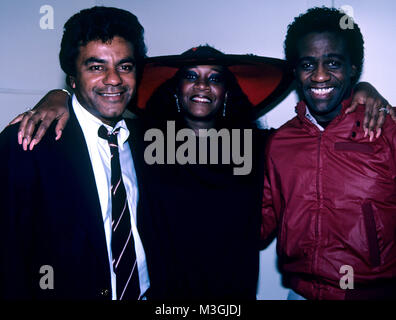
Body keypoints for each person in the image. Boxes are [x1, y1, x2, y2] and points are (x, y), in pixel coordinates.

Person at [0, 6, 156, 300]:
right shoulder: (27, 142)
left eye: (125, 66)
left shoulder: (147, 142)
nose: (114, 80)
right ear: (72, 77)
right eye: (96, 67)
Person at [261, 7, 396, 300]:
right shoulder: (281, 142)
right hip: (300, 294)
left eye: (332, 63)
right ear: (296, 71)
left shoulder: (387, 129)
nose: (320, 76)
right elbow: (259, 223)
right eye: (308, 65)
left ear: (352, 69)